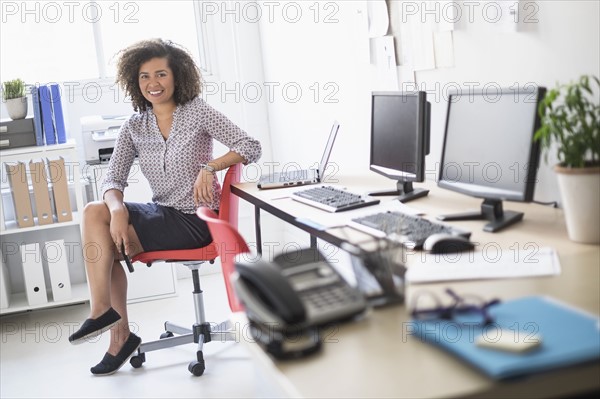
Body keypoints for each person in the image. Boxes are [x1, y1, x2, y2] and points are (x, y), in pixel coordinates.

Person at [68, 38, 262, 375]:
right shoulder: (135, 125)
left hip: (196, 220)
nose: (152, 84)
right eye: (144, 76)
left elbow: (250, 145)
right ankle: (108, 320)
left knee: (104, 235)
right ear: (135, 80)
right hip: (162, 213)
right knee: (96, 216)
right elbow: (112, 179)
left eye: (161, 74)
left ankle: (115, 331)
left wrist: (210, 167)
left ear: (177, 77)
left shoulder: (197, 112)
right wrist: (118, 211)